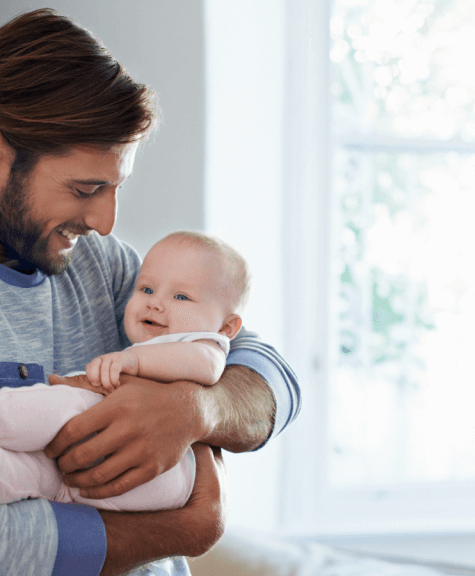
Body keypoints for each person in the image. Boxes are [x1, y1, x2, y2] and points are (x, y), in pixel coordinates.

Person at [0, 8, 301, 576]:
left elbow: (267, 371)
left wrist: (197, 408)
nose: (107, 222)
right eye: (87, 188)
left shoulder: (100, 265)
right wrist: (182, 529)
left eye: (115, 188)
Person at [0, 230, 248, 513]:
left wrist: (133, 362)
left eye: (181, 296)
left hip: (164, 473)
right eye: (146, 289)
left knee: (66, 405)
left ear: (227, 328)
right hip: (94, 474)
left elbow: (207, 366)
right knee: (31, 472)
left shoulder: (205, 346)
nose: (155, 303)